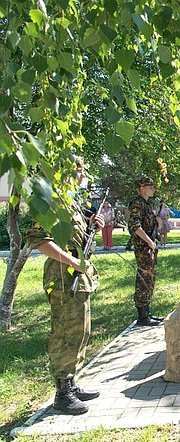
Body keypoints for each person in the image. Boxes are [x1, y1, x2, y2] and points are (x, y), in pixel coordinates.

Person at [26, 156, 102, 415]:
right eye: (80, 172)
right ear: (67, 173)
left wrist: (92, 225)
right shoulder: (51, 201)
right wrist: (71, 260)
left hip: (77, 278)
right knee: (65, 333)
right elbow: (38, 239)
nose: (83, 177)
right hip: (62, 278)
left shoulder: (69, 202)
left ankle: (71, 381)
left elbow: (74, 236)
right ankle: (62, 392)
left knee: (81, 331)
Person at [128, 176, 164, 327]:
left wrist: (158, 223)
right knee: (143, 278)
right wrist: (149, 242)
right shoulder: (137, 203)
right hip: (143, 247)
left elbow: (149, 226)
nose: (153, 189)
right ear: (142, 188)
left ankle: (147, 312)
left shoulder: (146, 204)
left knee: (149, 278)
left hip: (149, 247)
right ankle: (142, 315)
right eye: (150, 187)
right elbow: (134, 226)